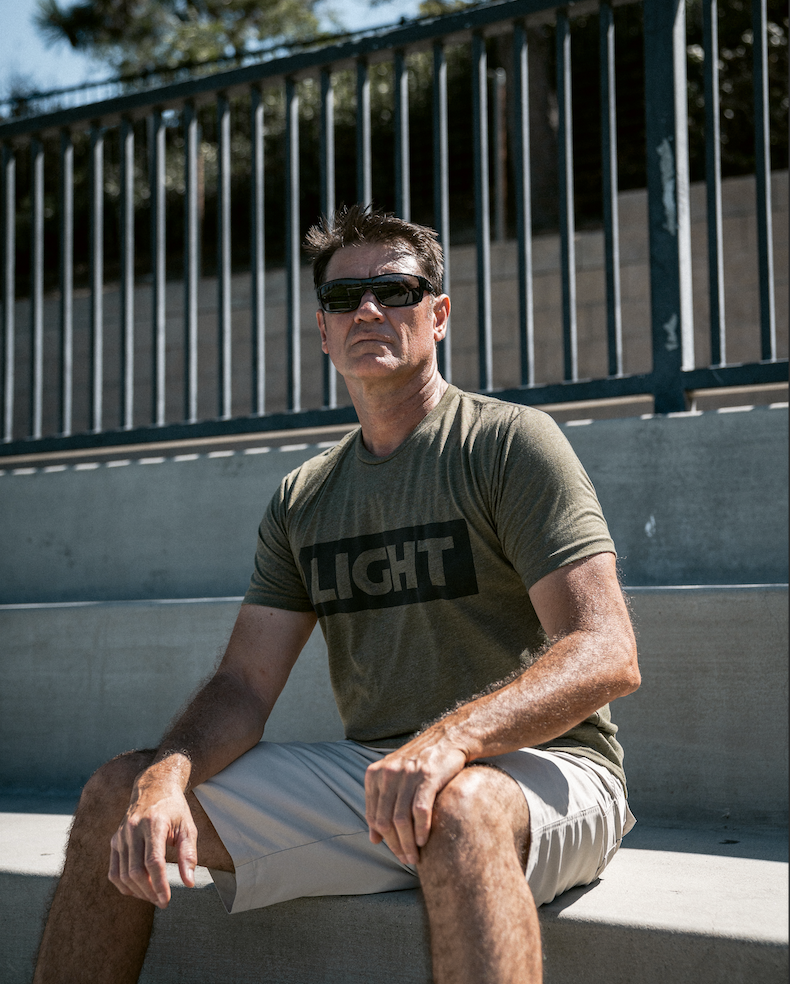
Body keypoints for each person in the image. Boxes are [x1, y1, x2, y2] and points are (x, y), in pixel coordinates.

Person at [33, 204, 640, 984]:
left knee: (461, 809)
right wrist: (166, 777)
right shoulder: (306, 496)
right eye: (344, 297)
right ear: (323, 331)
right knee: (117, 793)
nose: (369, 310)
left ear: (438, 315)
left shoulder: (508, 443)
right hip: (381, 780)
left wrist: (449, 742)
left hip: (546, 770)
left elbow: (606, 650)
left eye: (396, 291)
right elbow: (243, 685)